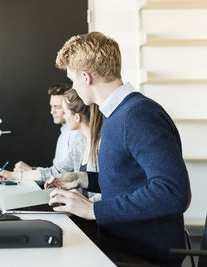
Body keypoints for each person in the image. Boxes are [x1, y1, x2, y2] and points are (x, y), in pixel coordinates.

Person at [46, 32, 191, 266]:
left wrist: (94, 209)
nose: (73, 87)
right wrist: (83, 179)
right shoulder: (117, 115)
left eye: (73, 80)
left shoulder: (138, 115)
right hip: (120, 244)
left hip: (139, 255)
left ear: (86, 77)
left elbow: (173, 192)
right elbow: (130, 179)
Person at [0, 89, 102, 202]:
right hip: (78, 209)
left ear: (77, 117)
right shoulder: (80, 145)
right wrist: (12, 175)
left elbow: (108, 190)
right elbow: (55, 171)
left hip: (88, 214)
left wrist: (80, 205)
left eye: (65, 113)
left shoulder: (100, 145)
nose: (64, 117)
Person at [13, 83, 82, 172]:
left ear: (68, 107)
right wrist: (31, 170)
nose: (52, 111)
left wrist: (31, 171)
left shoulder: (76, 134)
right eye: (51, 106)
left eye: (57, 107)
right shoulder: (64, 134)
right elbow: (56, 170)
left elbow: (65, 173)